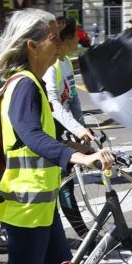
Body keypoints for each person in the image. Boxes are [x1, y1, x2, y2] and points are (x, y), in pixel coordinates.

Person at [0, 9, 114, 264]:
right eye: (54, 38)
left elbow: (44, 135)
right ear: (32, 45)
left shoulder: (33, 82)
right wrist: (76, 159)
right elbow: (31, 135)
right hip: (26, 204)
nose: (60, 44)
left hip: (41, 201)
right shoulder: (24, 83)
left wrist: (82, 149)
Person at [45, 17, 94, 236]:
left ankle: (80, 234)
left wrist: (83, 130)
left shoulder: (65, 62)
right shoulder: (52, 65)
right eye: (76, 35)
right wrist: (77, 130)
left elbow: (72, 97)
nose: (79, 38)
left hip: (60, 129)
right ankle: (84, 235)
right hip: (48, 130)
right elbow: (53, 104)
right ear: (66, 39)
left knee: (65, 183)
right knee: (64, 185)